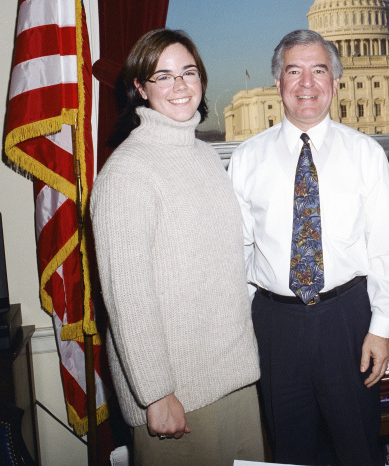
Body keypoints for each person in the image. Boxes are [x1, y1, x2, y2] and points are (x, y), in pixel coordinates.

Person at [228, 29, 389, 465]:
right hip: (275, 324)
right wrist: (255, 320)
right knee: (290, 451)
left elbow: (383, 248)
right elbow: (238, 252)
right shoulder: (247, 158)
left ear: (336, 82)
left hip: (347, 319)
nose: (307, 83)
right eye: (294, 71)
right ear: (278, 83)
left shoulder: (365, 154)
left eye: (319, 70)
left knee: (357, 448)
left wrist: (381, 328)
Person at [90, 29, 263, 465]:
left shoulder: (205, 156)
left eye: (188, 72)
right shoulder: (127, 173)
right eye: (163, 76)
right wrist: (156, 392)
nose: (180, 85)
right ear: (139, 88)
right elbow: (128, 297)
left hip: (234, 378)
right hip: (177, 394)